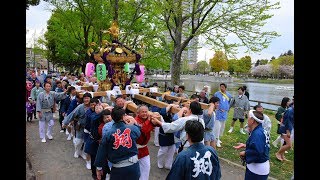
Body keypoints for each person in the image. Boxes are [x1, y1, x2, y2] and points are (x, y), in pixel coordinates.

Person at [94, 107, 141, 180]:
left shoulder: (108, 133)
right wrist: (134, 123)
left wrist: (99, 167)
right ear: (123, 116)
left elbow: (102, 151)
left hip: (118, 168)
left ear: (112, 117)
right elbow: (138, 132)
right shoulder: (133, 128)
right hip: (133, 167)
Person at [234, 110, 270, 180]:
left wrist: (245, 153)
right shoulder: (261, 130)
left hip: (257, 170)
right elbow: (262, 145)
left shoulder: (257, 134)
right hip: (258, 168)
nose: (247, 119)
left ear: (253, 120)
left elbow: (258, 152)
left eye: (248, 118)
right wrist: (246, 145)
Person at [62, 92, 92, 167]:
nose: (86, 100)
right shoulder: (80, 107)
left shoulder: (93, 106)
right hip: (80, 127)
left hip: (89, 128)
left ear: (90, 99)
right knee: (78, 141)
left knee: (86, 143)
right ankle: (77, 151)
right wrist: (65, 122)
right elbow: (72, 114)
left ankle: (83, 153)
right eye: (85, 98)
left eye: (88, 98)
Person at [134, 105, 159, 180]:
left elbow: (159, 124)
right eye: (143, 112)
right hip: (134, 149)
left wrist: (157, 115)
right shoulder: (135, 120)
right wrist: (149, 119)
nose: (145, 113)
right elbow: (144, 129)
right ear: (138, 113)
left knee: (146, 167)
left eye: (146, 112)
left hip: (144, 148)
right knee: (134, 169)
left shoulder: (149, 119)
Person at [157, 104, 179, 170]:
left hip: (172, 136)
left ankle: (168, 165)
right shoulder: (164, 115)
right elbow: (162, 112)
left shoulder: (175, 115)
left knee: (171, 151)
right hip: (164, 136)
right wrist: (170, 106)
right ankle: (160, 162)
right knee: (163, 151)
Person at [212, 83, 232, 147]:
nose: (221, 88)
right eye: (220, 87)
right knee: (217, 127)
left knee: (222, 127)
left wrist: (226, 109)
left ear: (225, 88)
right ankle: (216, 140)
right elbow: (213, 101)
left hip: (224, 113)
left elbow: (229, 103)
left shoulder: (229, 95)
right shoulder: (217, 94)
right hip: (218, 112)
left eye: (223, 87)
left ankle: (219, 138)